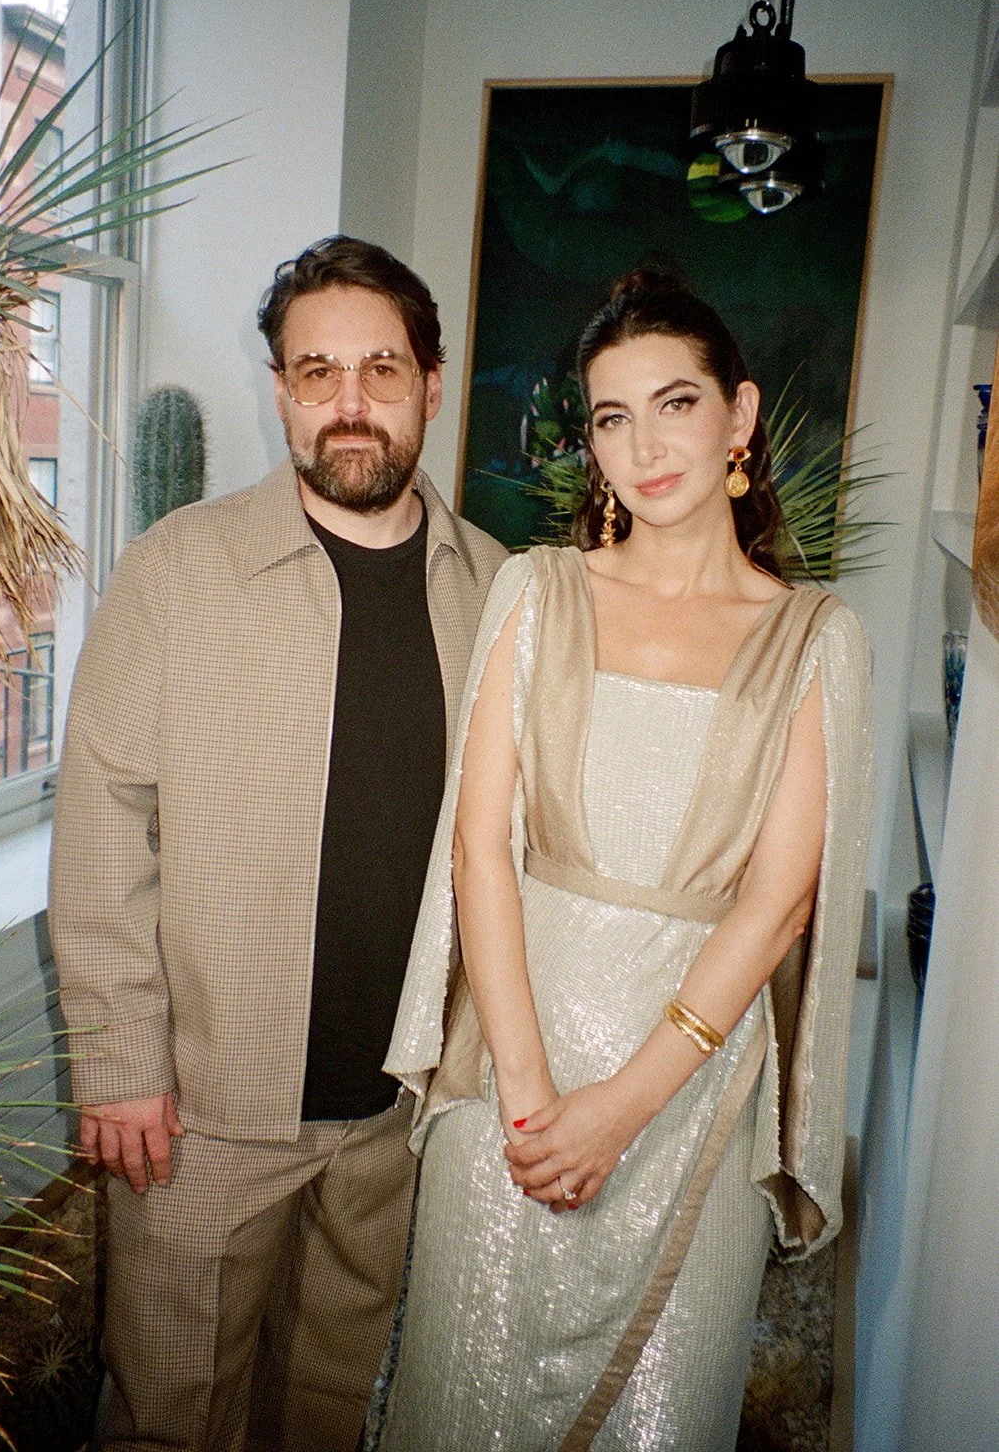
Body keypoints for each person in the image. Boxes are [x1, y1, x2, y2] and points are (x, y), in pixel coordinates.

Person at [377, 268, 874, 1451]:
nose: (643, 446)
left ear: (738, 416)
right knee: (456, 1399)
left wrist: (620, 1109)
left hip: (685, 1107)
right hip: (507, 1085)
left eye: (674, 403)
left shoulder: (813, 637)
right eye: (610, 417)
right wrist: (532, 1094)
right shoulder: (534, 591)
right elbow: (480, 849)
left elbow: (776, 902)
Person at [47, 235, 506, 1452]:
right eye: (317, 373)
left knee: (324, 1406)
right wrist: (117, 1060)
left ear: (432, 381)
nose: (349, 405)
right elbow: (102, 816)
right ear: (280, 389)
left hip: (393, 1112)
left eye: (380, 371)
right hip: (200, 1112)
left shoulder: (500, 593)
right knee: (169, 1409)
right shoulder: (175, 575)